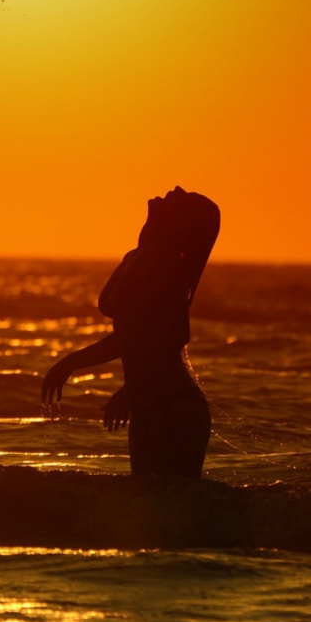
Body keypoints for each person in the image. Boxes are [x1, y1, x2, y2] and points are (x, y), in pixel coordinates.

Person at [41, 186, 220, 477]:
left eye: (181, 198)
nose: (173, 189)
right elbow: (134, 335)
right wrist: (73, 364)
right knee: (149, 504)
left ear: (179, 222)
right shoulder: (139, 256)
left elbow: (173, 336)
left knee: (168, 506)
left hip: (174, 405)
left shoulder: (166, 261)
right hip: (150, 400)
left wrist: (125, 389)